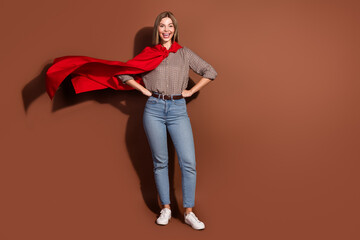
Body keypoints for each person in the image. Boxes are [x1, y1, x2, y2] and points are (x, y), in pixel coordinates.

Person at [116, 11, 217, 230]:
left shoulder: (184, 53)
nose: (166, 30)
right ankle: (166, 208)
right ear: (157, 29)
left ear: (175, 29)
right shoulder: (148, 53)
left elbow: (210, 71)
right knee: (160, 162)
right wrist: (143, 89)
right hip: (153, 109)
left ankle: (189, 212)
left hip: (178, 110)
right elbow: (123, 74)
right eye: (162, 26)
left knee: (188, 162)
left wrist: (190, 92)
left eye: (170, 26)